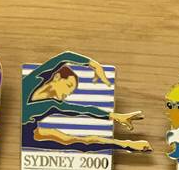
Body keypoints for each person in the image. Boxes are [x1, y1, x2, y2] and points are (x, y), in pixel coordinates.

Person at [22, 51, 151, 153]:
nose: (68, 93)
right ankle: (127, 145)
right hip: (24, 135)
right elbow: (64, 57)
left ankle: (127, 144)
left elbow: (83, 110)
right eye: (68, 85)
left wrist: (115, 116)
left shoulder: (52, 104)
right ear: (57, 77)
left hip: (29, 133)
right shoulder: (33, 80)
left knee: (74, 140)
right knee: (72, 140)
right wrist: (94, 64)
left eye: (71, 91)